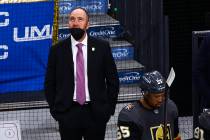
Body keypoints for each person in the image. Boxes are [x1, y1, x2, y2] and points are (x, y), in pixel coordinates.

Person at [44, 7, 119, 140]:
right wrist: (56, 111)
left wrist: (108, 110)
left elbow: (113, 81)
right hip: (68, 113)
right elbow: (49, 83)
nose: (75, 22)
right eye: (72, 19)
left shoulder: (102, 47)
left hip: (96, 114)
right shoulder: (57, 50)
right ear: (68, 23)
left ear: (87, 24)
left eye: (80, 19)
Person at [117, 70, 181, 140]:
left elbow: (176, 136)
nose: (160, 99)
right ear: (145, 94)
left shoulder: (170, 107)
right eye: (156, 96)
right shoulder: (128, 116)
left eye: (163, 95)